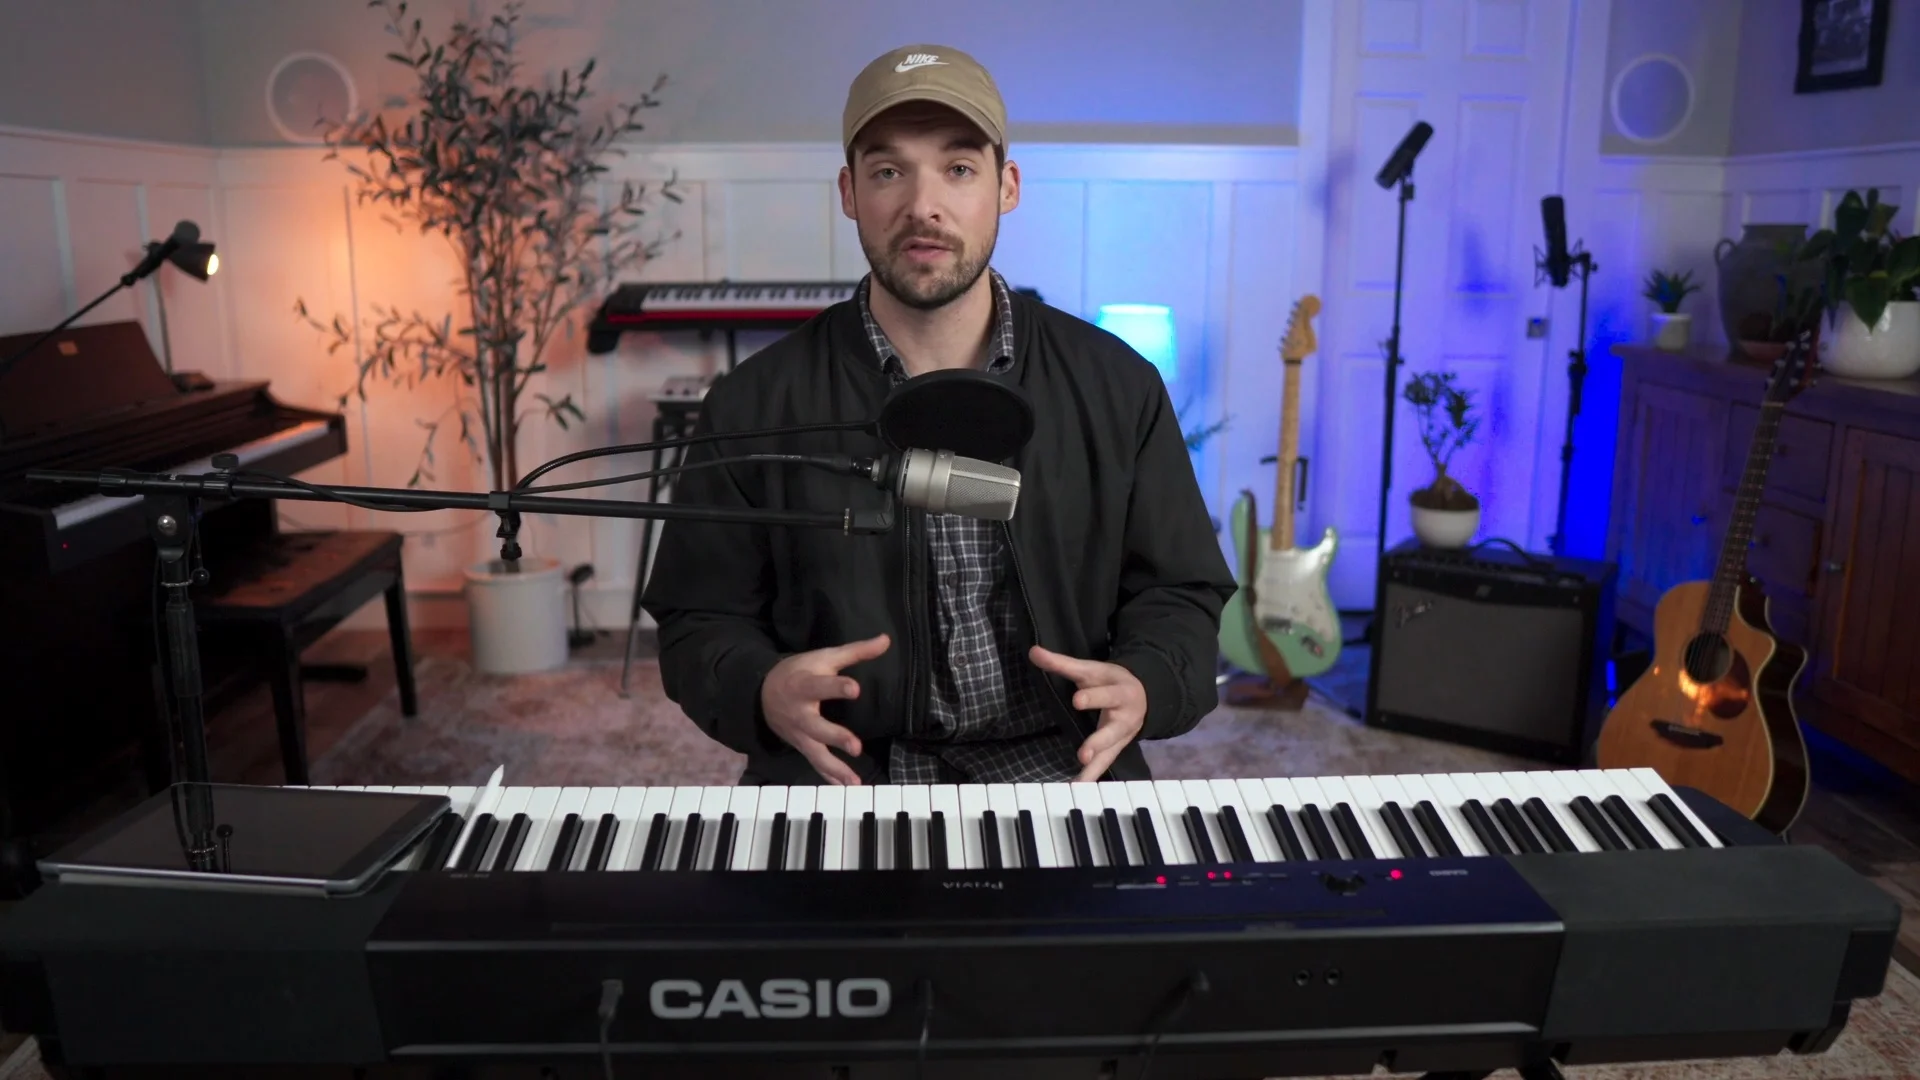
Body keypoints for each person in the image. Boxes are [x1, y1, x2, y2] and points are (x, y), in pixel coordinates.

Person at [641, 44, 1235, 787]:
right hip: (845, 772)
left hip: (1066, 765)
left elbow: (1180, 590)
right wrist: (760, 688)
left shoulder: (1118, 385)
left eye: (958, 168)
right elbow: (698, 617)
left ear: (1006, 186)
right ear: (849, 192)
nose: (923, 205)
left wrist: (1147, 682)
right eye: (889, 171)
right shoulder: (753, 403)